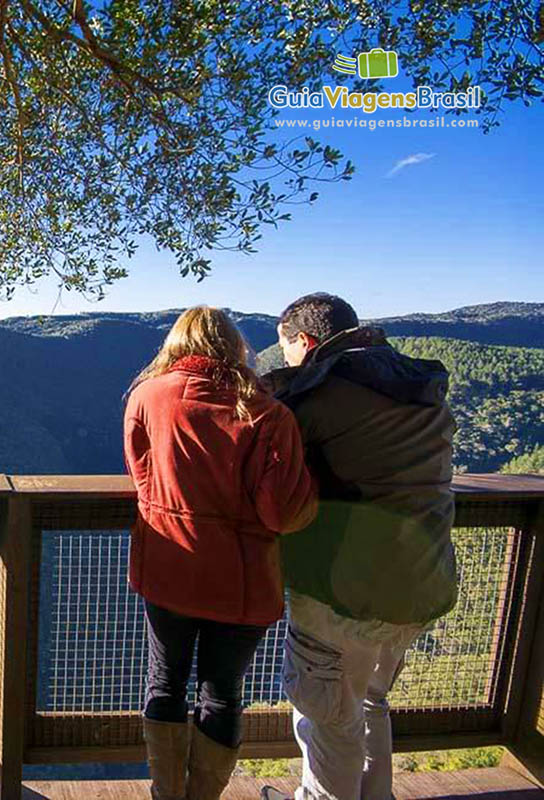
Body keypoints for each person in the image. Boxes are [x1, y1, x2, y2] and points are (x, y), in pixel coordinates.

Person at [259, 293, 459, 800]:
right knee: (370, 699)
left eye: (286, 351)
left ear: (305, 341)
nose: (286, 362)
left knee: (327, 716)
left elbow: (263, 464)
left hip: (344, 590)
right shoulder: (417, 382)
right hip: (424, 578)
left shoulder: (319, 396)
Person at [123, 306, 319, 800]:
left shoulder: (146, 397)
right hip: (241, 578)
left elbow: (142, 475)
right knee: (222, 693)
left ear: (175, 345)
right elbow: (280, 512)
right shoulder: (267, 413)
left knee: (164, 683)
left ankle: (166, 793)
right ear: (235, 348)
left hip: (170, 564)